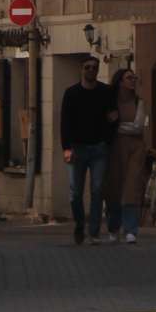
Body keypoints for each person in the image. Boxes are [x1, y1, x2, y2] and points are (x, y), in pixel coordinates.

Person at [60, 53, 116, 243]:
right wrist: (66, 147)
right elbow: (65, 122)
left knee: (97, 189)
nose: (91, 70)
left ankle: (93, 232)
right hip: (77, 148)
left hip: (99, 148)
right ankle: (79, 225)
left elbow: (113, 117)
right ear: (81, 69)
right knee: (75, 192)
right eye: (87, 67)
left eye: (94, 67)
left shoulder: (105, 91)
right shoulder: (71, 93)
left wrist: (108, 139)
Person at [104, 69, 149, 244]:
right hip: (114, 149)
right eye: (129, 78)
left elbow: (138, 127)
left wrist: (116, 125)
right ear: (120, 82)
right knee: (114, 187)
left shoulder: (139, 102)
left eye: (134, 77)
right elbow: (105, 123)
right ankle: (113, 227)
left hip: (135, 149)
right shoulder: (111, 102)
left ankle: (131, 229)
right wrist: (115, 126)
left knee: (132, 187)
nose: (133, 80)